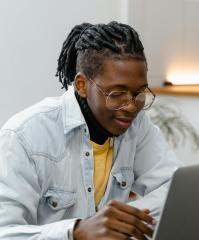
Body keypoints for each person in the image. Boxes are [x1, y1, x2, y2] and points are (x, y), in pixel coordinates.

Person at [0, 21, 180, 239]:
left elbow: (174, 190)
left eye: (139, 93)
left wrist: (124, 221)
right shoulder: (23, 137)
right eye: (117, 94)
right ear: (82, 85)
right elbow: (5, 232)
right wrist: (76, 231)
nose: (132, 106)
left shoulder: (137, 125)